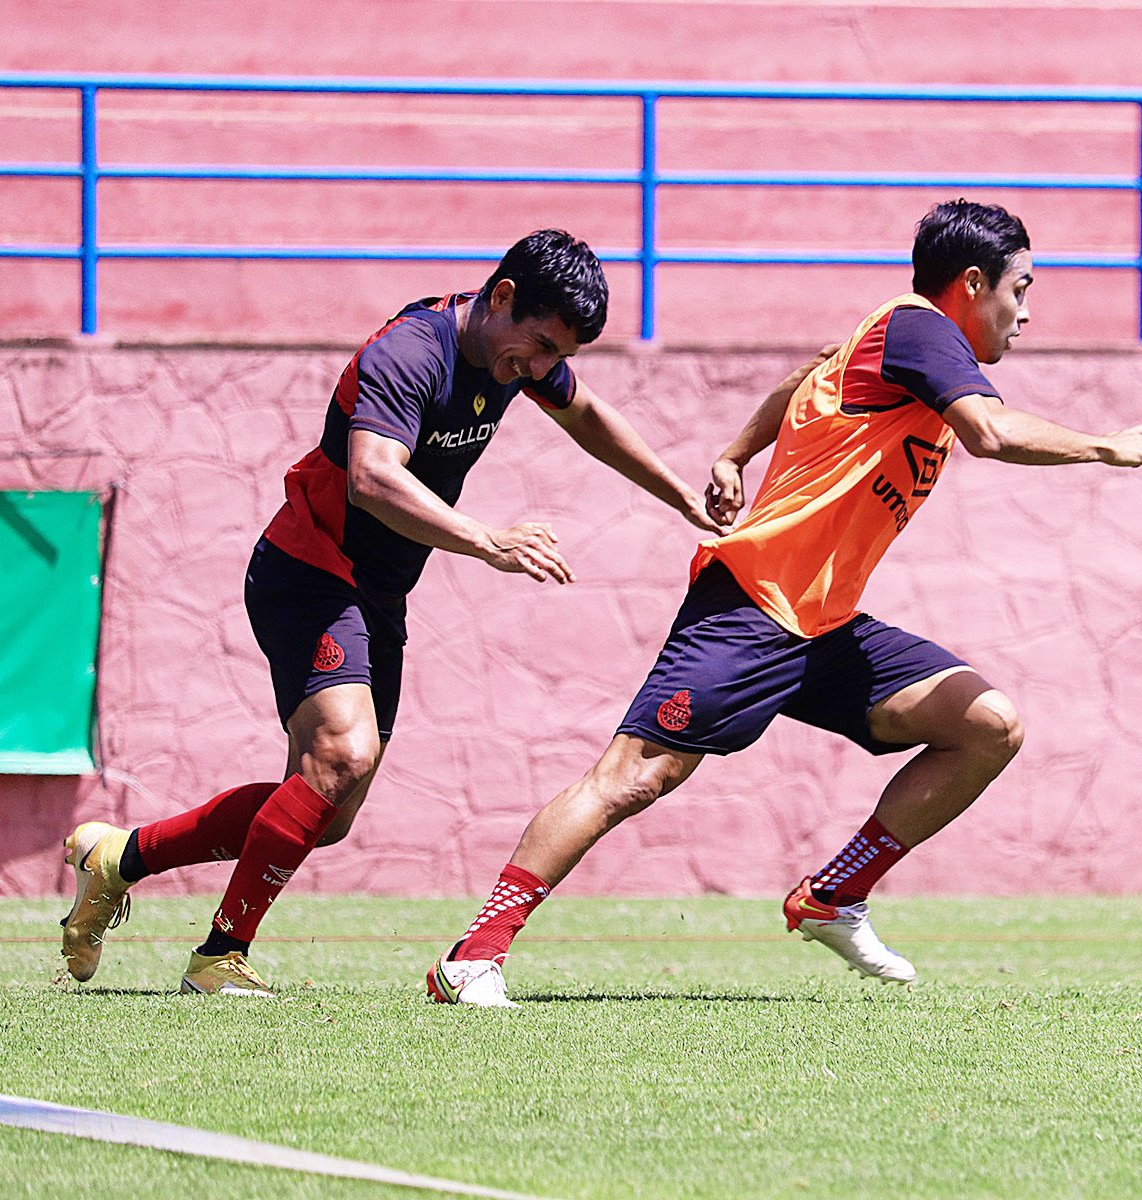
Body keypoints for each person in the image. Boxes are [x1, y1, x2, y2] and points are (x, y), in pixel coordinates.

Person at [428, 199, 1142, 1006]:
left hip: (823, 626)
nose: (1025, 314)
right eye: (1020, 290)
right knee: (632, 780)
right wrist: (1107, 446)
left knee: (987, 726)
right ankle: (473, 954)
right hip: (752, 606)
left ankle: (834, 895)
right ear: (971, 284)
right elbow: (989, 434)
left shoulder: (895, 347)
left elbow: (805, 375)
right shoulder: (922, 329)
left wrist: (734, 452)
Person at [60, 229, 720, 997]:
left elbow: (590, 417)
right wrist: (485, 540)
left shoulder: (514, 357)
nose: (542, 370)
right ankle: (219, 957)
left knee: (324, 808)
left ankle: (118, 857)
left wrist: (684, 501)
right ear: (500, 296)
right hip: (309, 569)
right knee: (343, 756)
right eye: (538, 347)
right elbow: (373, 476)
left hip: (378, 593)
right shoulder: (411, 353)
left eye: (556, 357)